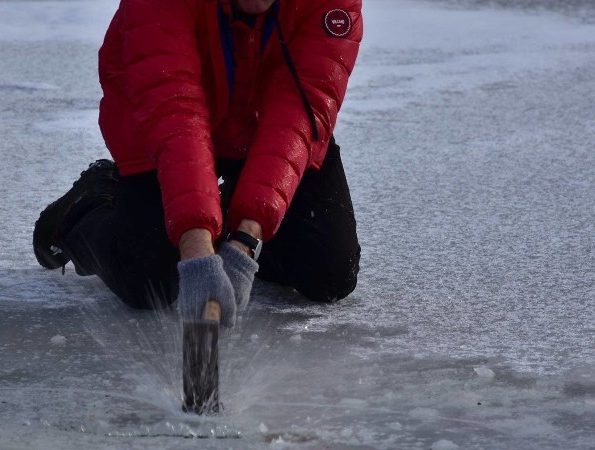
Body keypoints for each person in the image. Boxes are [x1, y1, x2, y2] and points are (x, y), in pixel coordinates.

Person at [33, 0, 363, 326]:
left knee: (329, 274)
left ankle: (227, 213)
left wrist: (245, 241)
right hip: (159, 122)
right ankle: (85, 207)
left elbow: (297, 116)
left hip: (263, 130)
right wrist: (195, 247)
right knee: (149, 283)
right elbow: (174, 113)